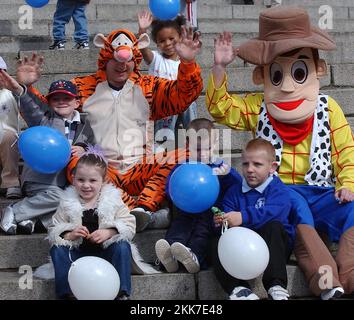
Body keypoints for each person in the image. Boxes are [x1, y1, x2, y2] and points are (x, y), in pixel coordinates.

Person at [206, 6, 354, 299]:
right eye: (277, 75)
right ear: (263, 75)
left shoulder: (329, 107)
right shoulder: (258, 107)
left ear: (317, 69)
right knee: (295, 207)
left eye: (299, 72)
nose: (287, 85)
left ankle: (350, 273)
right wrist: (220, 68)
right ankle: (327, 283)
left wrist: (347, 184)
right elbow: (220, 108)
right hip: (282, 192)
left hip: (323, 190)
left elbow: (345, 151)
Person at [18, 27, 203, 232]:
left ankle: (144, 208)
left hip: (139, 167)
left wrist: (187, 63)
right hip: (100, 169)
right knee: (75, 160)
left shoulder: (148, 86)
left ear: (135, 60)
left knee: (187, 154)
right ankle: (138, 214)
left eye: (127, 60)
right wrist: (27, 88)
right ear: (106, 58)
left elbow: (184, 95)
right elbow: (48, 114)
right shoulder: (82, 87)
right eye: (116, 60)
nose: (122, 65)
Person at [49, 147, 158, 300]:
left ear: (103, 180)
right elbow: (55, 228)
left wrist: (110, 232)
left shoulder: (112, 199)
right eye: (81, 180)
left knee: (122, 246)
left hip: (106, 253)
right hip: (77, 256)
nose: (86, 185)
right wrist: (69, 234)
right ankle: (67, 293)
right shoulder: (67, 202)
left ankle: (122, 292)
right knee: (57, 249)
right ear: (73, 179)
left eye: (92, 180)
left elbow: (129, 223)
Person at [0, 72, 95, 235]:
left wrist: (84, 149)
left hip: (69, 182)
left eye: (67, 98)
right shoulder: (44, 120)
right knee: (61, 198)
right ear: (49, 103)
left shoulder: (88, 125)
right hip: (41, 180)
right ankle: (14, 211)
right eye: (56, 99)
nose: (61, 102)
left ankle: (32, 220)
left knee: (80, 206)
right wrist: (19, 90)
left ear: (77, 102)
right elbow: (30, 107)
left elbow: (98, 149)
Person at [155, 118, 241, 274]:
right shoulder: (183, 166)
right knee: (179, 226)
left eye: (207, 149)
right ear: (188, 146)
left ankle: (195, 256)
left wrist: (226, 175)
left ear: (215, 145)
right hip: (187, 210)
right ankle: (169, 258)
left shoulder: (221, 167)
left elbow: (238, 185)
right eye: (198, 149)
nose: (203, 154)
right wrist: (174, 194)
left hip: (212, 213)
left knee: (202, 231)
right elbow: (171, 185)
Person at [212, 138, 295, 300]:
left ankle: (275, 284)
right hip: (243, 250)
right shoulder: (234, 192)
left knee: (274, 226)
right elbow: (228, 216)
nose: (250, 169)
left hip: (273, 248)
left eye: (257, 164)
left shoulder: (279, 189)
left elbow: (274, 213)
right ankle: (238, 288)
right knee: (216, 240)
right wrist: (222, 220)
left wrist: (242, 217)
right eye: (245, 164)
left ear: (272, 167)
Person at [137, 10, 197, 152]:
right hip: (163, 106)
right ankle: (163, 149)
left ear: (180, 38)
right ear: (157, 43)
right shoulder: (155, 59)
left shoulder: (184, 61)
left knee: (188, 98)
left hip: (182, 102)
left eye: (172, 39)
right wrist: (142, 30)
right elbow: (142, 48)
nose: (168, 43)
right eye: (162, 41)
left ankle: (194, 140)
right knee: (170, 96)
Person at [0, 56, 22, 199]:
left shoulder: (10, 93)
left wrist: (18, 88)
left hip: (8, 141)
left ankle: (11, 182)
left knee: (8, 136)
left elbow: (26, 100)